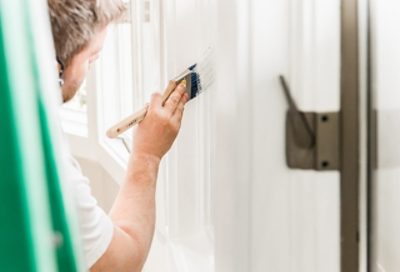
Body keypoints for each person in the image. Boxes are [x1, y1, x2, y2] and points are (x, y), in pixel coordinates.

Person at [48, 0, 189, 271]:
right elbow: (118, 264)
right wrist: (147, 155)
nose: (91, 68)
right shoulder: (41, 163)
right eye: (91, 57)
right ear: (55, 68)